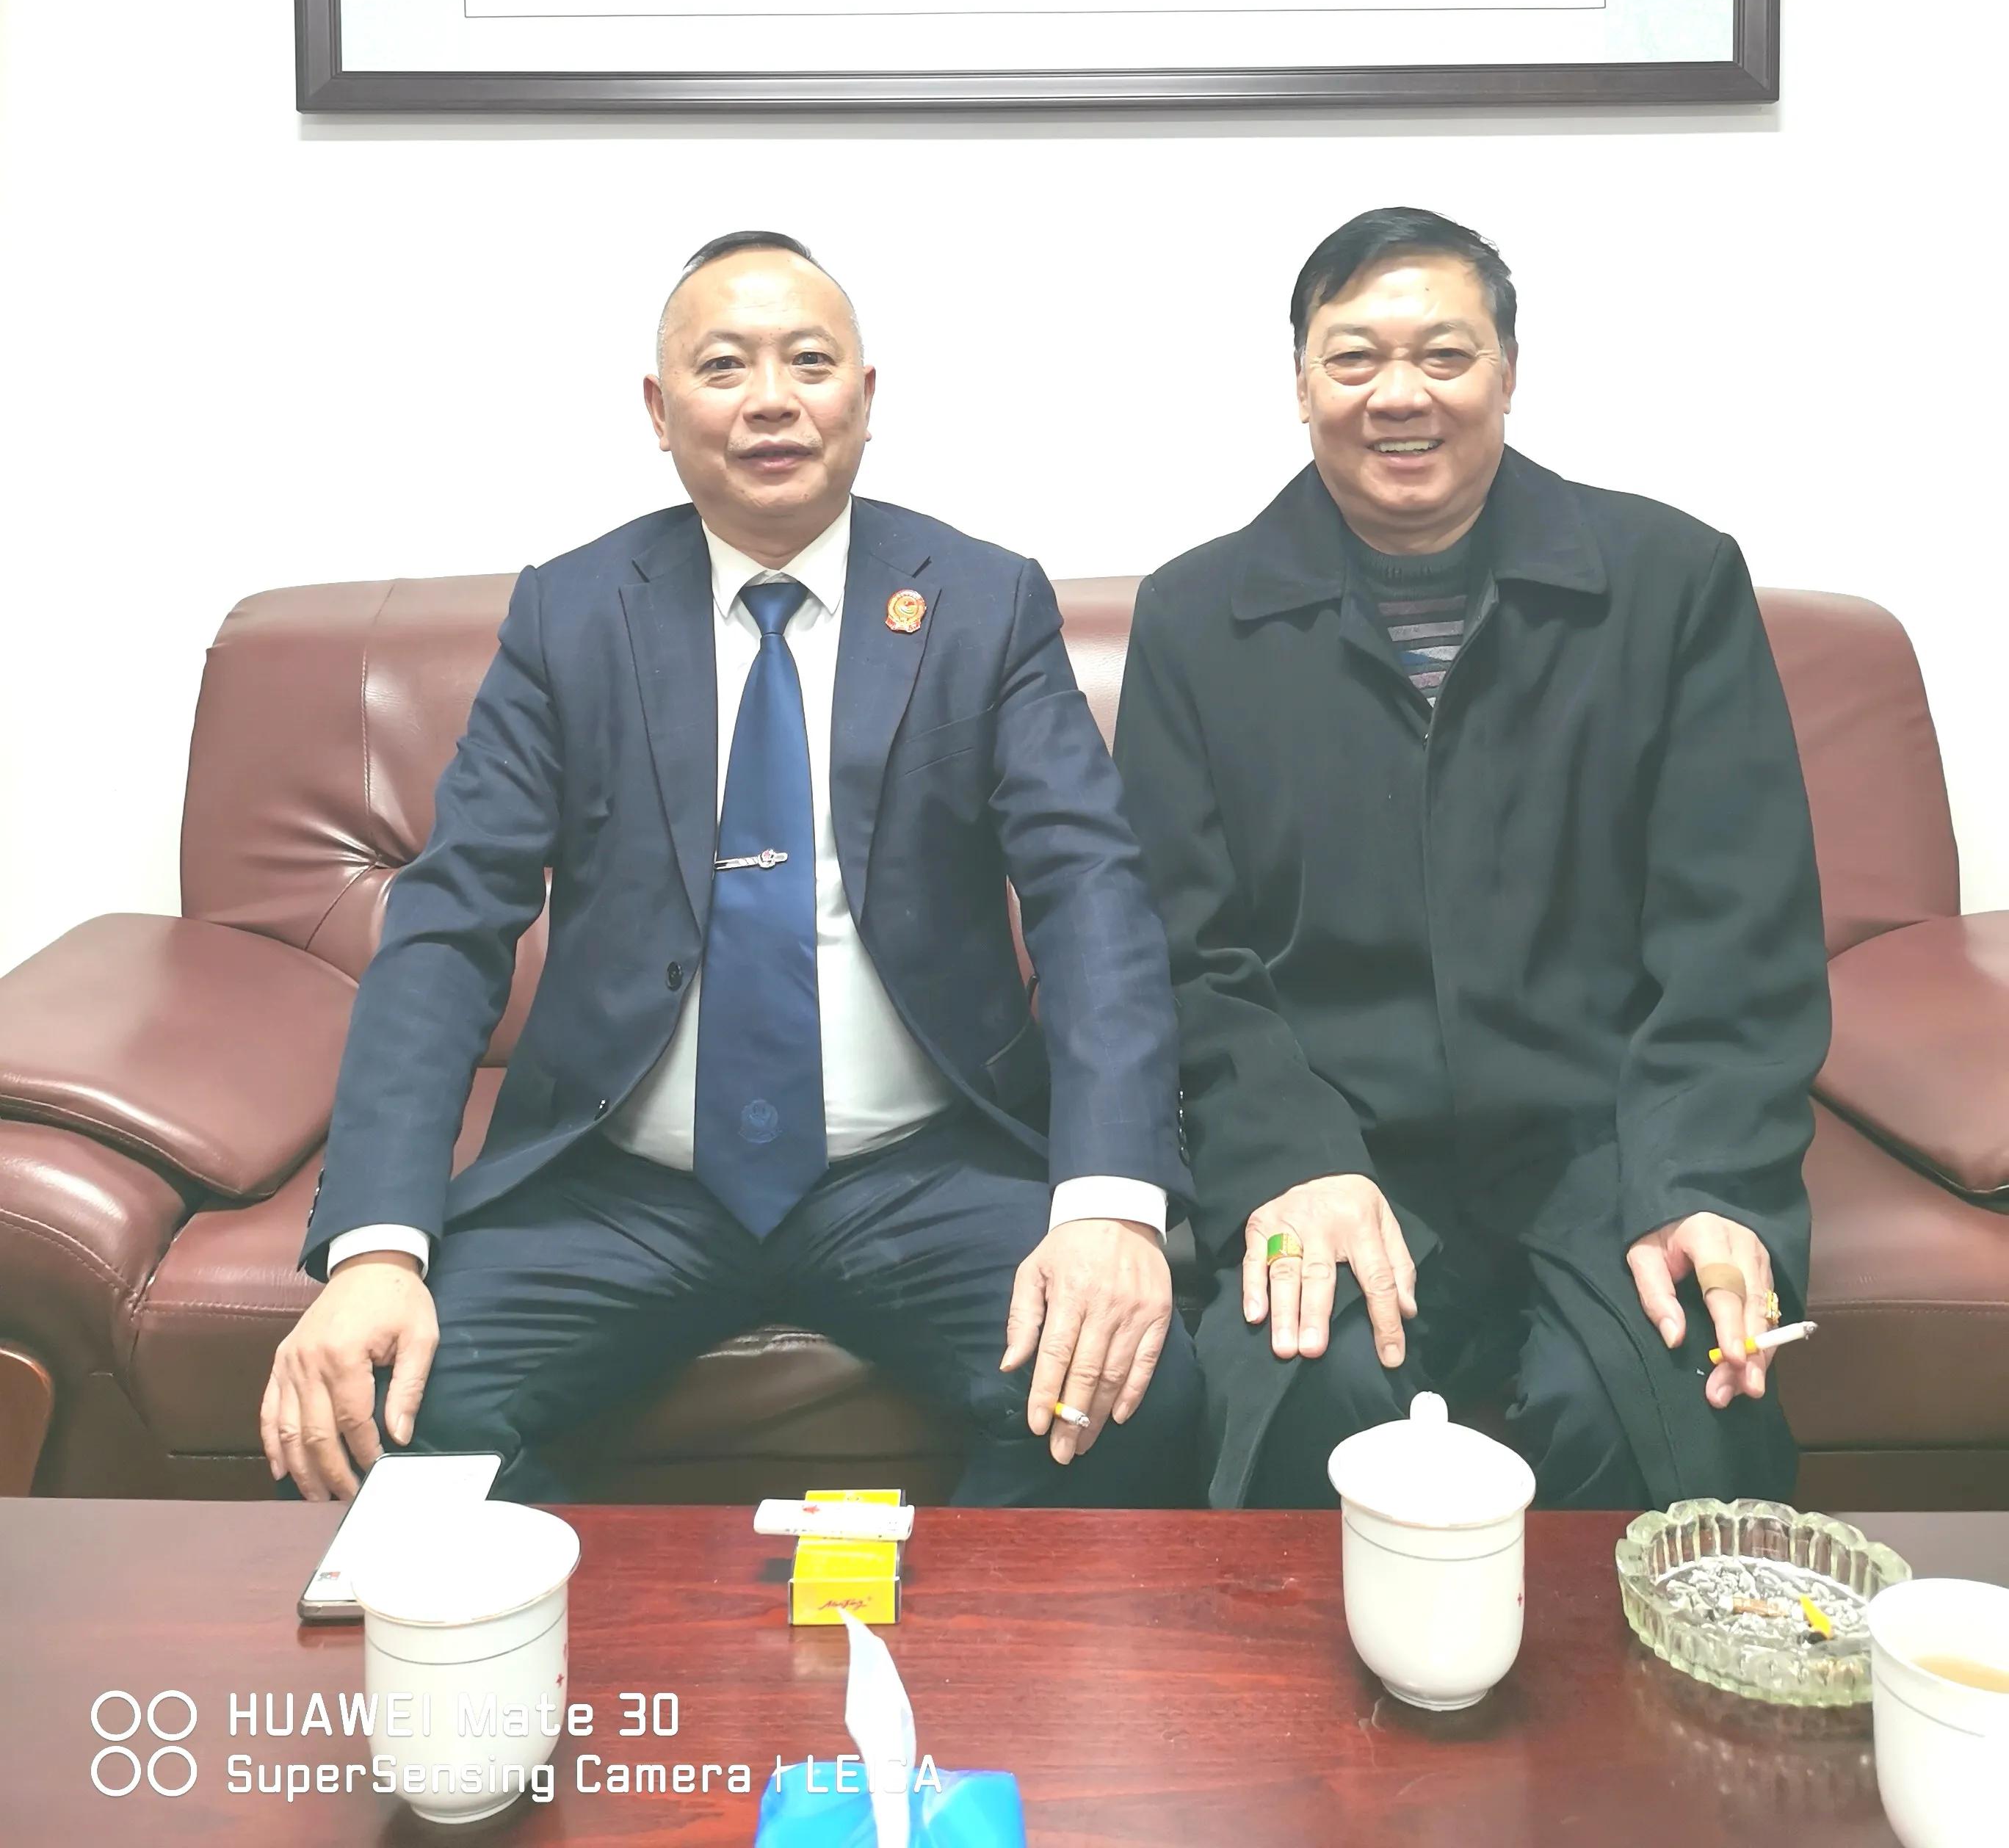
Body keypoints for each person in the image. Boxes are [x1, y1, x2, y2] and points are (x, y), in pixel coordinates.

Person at [264, 231, 1198, 1508]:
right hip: (623, 1182)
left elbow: (1093, 900)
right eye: (724, 367)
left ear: (865, 396)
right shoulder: (571, 615)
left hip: (918, 1170)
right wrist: (377, 1246)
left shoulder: (983, 605)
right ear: (660, 412)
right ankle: (613, 1638)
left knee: (1133, 1384)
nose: (771, 399)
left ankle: (947, 1643)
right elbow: (450, 924)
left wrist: (1108, 1202)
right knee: (372, 1405)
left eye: (809, 361)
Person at [1112, 207, 1831, 1510]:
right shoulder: (1197, 619)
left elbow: (1739, 941)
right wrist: (1288, 1160)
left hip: (1609, 1146)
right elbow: (1184, 957)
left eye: (1444, 355)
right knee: (1300, 1388)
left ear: (1509, 372)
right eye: (1353, 358)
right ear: (1300, 386)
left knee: (1670, 1402)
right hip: (1336, 1144)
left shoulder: (1671, 585)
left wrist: (1701, 1184)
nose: (1400, 394)